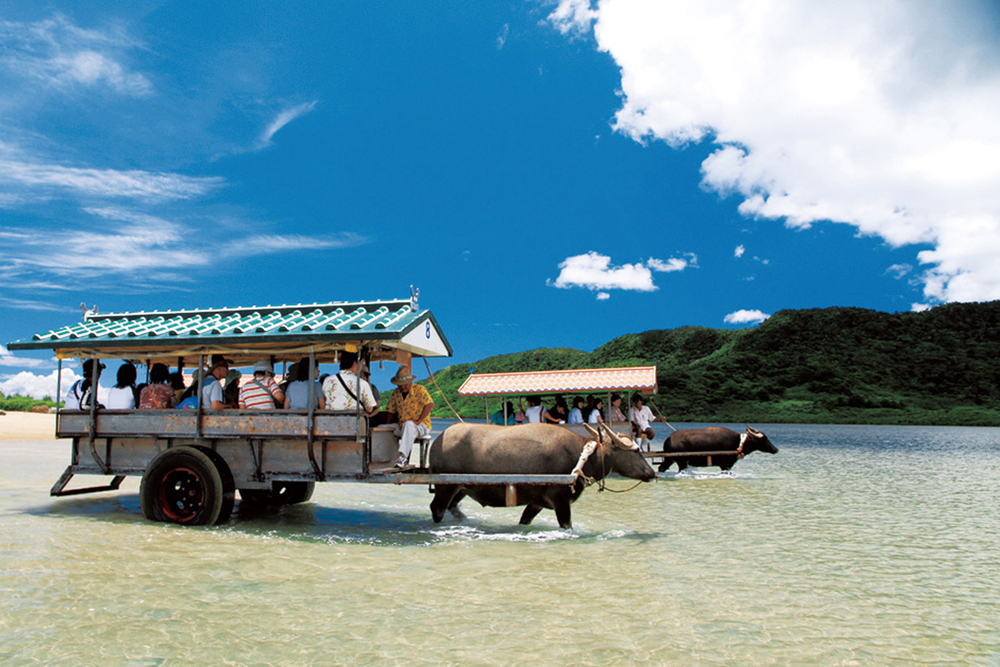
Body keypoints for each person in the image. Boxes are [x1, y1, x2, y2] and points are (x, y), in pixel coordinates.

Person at [385, 366, 434, 468]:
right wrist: (387, 425)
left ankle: (403, 458)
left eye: (405, 384)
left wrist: (418, 421)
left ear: (410, 382)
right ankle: (386, 458)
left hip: (421, 426)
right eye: (400, 385)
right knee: (383, 429)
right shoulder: (396, 393)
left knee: (409, 424)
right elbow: (391, 411)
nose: (402, 387)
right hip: (403, 426)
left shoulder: (419, 389)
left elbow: (429, 404)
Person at [323, 350, 379, 416]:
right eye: (361, 363)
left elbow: (325, 400)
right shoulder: (362, 383)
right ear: (355, 364)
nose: (361, 366)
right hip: (354, 420)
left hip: (331, 419)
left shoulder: (328, 380)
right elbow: (369, 408)